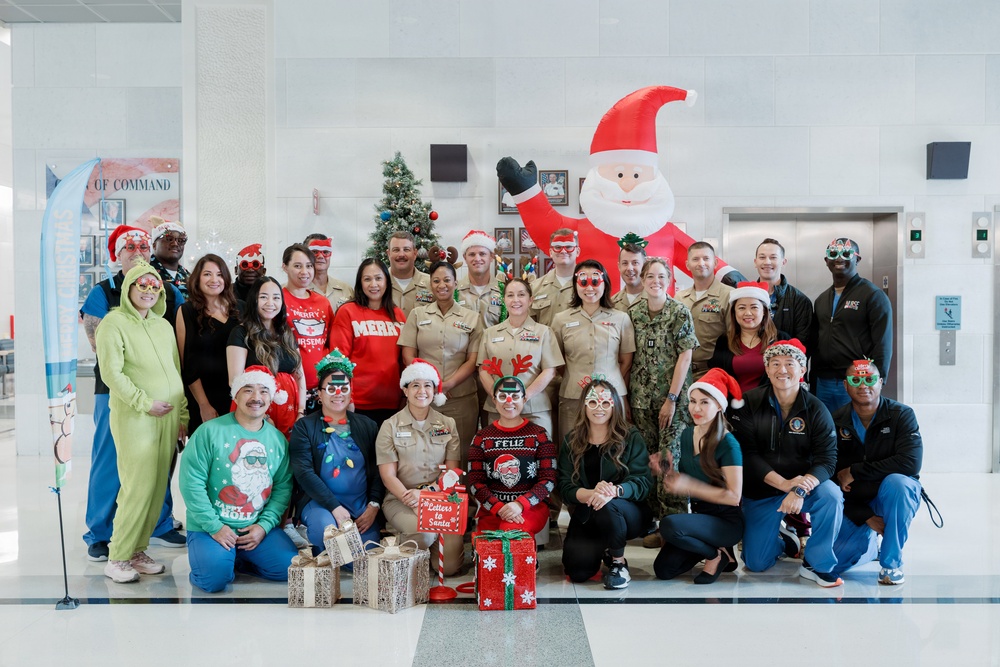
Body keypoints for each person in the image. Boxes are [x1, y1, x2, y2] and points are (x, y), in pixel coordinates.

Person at [80, 226, 186, 562]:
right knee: (113, 462)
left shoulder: (166, 290)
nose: (137, 251)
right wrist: (138, 395)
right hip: (117, 393)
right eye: (130, 246)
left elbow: (178, 336)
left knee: (158, 466)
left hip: (162, 397)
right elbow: (104, 353)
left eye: (143, 245)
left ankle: (157, 523)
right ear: (117, 253)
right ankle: (101, 532)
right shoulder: (103, 293)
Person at [730, 339, 844, 587]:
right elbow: (746, 454)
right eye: (775, 364)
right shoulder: (748, 403)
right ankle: (785, 540)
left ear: (802, 370)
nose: (783, 370)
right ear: (767, 369)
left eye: (790, 364)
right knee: (756, 564)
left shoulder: (816, 408)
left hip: (804, 487)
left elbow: (828, 459)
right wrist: (783, 484)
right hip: (762, 489)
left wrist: (800, 488)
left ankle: (817, 563)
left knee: (831, 496)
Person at [180, 366, 298, 593]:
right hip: (210, 528)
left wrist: (263, 527)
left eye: (264, 391)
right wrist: (214, 527)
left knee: (289, 569)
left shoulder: (277, 440)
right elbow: (191, 483)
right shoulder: (209, 432)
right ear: (236, 395)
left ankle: (239, 558)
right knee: (214, 581)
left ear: (271, 398)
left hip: (253, 527)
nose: (256, 398)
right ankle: (217, 561)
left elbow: (283, 488)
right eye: (248, 390)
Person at [831, 360, 923, 585]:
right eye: (855, 379)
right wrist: (866, 517)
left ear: (880, 382)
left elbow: (910, 463)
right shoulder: (835, 420)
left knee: (899, 483)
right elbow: (833, 477)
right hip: (856, 501)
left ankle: (891, 563)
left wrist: (855, 471)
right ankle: (871, 548)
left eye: (870, 379)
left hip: (891, 495)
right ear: (845, 385)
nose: (863, 385)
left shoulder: (901, 415)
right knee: (835, 562)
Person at [627, 257, 698, 547]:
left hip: (674, 402)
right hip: (641, 400)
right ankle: (655, 524)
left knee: (670, 458)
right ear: (642, 281)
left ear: (669, 281)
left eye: (661, 277)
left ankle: (676, 525)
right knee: (648, 461)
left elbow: (686, 355)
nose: (656, 281)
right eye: (650, 277)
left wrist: (671, 398)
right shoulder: (633, 314)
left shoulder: (680, 312)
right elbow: (628, 357)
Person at [558, 380, 652, 589]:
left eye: (605, 403)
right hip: (588, 512)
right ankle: (604, 548)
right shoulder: (571, 440)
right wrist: (594, 493)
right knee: (577, 572)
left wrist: (613, 491)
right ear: (584, 405)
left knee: (608, 505)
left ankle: (619, 563)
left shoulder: (631, 436)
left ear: (614, 405)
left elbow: (643, 482)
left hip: (627, 512)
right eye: (592, 402)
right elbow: (565, 487)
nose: (599, 408)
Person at [653, 369, 743, 584]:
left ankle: (715, 555)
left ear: (719, 406)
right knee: (663, 570)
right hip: (701, 517)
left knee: (669, 525)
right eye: (693, 401)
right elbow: (689, 478)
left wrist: (689, 487)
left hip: (726, 522)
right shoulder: (687, 435)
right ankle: (720, 551)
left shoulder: (728, 444)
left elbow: (734, 496)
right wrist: (667, 471)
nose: (696, 408)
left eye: (704, 402)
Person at [289, 350, 384, 552]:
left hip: (360, 507)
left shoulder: (368, 426)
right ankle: (318, 539)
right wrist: (335, 507)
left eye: (344, 388)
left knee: (363, 553)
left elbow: (379, 470)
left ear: (351, 392)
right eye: (331, 389)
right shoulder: (304, 427)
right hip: (321, 505)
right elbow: (304, 473)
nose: (338, 394)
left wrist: (373, 506)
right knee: (328, 534)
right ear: (320, 394)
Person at [376, 360, 463, 575]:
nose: (422, 391)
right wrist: (410, 498)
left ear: (434, 391)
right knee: (422, 532)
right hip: (401, 499)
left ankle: (421, 543)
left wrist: (426, 495)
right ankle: (408, 540)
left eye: (427, 385)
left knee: (449, 567)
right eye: (415, 385)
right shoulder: (390, 426)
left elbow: (452, 473)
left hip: (440, 498)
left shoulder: (447, 424)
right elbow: (388, 476)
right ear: (405, 390)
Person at [399, 260, 482, 466]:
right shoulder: (417, 315)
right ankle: (428, 496)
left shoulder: (472, 318)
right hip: (423, 397)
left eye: (447, 280)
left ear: (455, 283)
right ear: (430, 284)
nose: (441, 285)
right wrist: (429, 384)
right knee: (425, 451)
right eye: (436, 281)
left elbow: (473, 360)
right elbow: (408, 354)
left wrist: (449, 385)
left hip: (461, 399)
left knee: (460, 452)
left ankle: (458, 497)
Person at [551, 259, 635, 449]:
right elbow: (557, 360)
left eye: (595, 281)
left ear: (604, 284)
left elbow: (626, 361)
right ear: (575, 285)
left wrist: (608, 384)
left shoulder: (621, 318)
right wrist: (577, 376)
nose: (590, 288)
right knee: (571, 446)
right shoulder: (561, 320)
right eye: (583, 282)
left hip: (612, 397)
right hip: (573, 395)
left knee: (614, 447)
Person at [466, 376, 557, 536]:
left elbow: (548, 480)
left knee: (510, 533)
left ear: (524, 398)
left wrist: (520, 504)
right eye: (502, 396)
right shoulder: (481, 438)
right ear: (494, 400)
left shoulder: (540, 435)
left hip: (530, 508)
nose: (509, 402)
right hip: (493, 509)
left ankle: (526, 559)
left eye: (515, 396)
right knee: (489, 548)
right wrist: (499, 507)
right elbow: (475, 483)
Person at [812, 237, 893, 414]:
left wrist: (877, 384)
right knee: (825, 433)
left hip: (856, 381)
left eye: (847, 254)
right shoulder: (821, 299)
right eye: (833, 254)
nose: (839, 258)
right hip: (822, 382)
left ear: (857, 259)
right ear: (826, 261)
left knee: (853, 433)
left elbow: (883, 344)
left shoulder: (872, 295)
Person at [477, 277, 564, 439]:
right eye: (510, 295)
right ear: (504, 300)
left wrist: (523, 397)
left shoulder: (544, 332)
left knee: (540, 459)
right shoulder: (490, 333)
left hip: (534, 408)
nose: (515, 300)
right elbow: (483, 370)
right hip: (498, 410)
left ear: (530, 300)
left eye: (521, 295)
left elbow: (550, 370)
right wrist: (498, 398)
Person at [330, 258, 406, 429]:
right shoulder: (347, 312)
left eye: (378, 278)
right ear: (360, 283)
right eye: (367, 279)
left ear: (387, 281)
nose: (374, 284)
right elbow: (337, 361)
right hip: (357, 404)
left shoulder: (398, 315)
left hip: (393, 405)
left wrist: (404, 397)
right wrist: (345, 398)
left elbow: (403, 361)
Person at [227, 276, 306, 438]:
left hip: (289, 414)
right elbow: (234, 380)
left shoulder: (287, 333)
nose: (270, 303)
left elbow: (300, 376)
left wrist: (301, 412)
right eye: (263, 297)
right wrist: (263, 417)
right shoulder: (241, 333)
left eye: (276, 298)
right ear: (253, 300)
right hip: (255, 414)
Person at [175, 254, 240, 433]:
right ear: (197, 278)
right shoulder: (186, 311)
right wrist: (203, 404)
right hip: (203, 396)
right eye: (207, 274)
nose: (214, 280)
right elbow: (186, 362)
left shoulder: (240, 309)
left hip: (238, 395)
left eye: (219, 274)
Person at [709, 281, 784, 392]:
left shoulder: (781, 339)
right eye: (742, 308)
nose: (748, 313)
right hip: (734, 405)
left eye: (754, 307)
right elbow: (717, 375)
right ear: (734, 313)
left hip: (770, 405)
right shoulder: (724, 341)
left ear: (764, 311)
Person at [675, 242, 733, 379]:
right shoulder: (679, 298)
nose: (701, 263)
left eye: (706, 258)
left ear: (715, 262)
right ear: (687, 265)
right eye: (695, 259)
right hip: (681, 372)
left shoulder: (730, 295)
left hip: (713, 372)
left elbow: (735, 339)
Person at [281, 243, 334, 392]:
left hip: (323, 388)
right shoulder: (278, 300)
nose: (305, 272)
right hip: (289, 388)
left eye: (309, 266)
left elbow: (331, 342)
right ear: (285, 267)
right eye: (298, 266)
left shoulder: (323, 302)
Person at [753, 238, 813, 346]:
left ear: (783, 262)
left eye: (773, 257)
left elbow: (803, 344)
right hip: (751, 361)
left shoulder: (799, 300)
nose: (767, 262)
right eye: (762, 257)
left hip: (784, 361)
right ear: (755, 262)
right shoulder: (747, 296)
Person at [529, 229, 579, 327]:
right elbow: (529, 325)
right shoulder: (535, 287)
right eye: (558, 247)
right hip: (545, 342)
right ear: (551, 252)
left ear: (577, 251)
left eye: (569, 247)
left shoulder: (589, 287)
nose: (563, 251)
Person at [455, 230, 502, 329]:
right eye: (472, 254)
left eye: (482, 254)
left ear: (491, 257)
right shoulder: (454, 291)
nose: (477, 259)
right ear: (465, 258)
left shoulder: (504, 291)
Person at [304, 234, 354, 316]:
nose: (320, 256)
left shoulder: (346, 290)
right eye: (315, 252)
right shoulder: (295, 290)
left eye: (325, 252)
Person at [388, 231, 432, 316]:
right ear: (388, 254)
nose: (401, 254)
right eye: (396, 250)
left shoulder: (431, 284)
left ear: (415, 254)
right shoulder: (378, 284)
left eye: (406, 249)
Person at [149, 216, 191, 299]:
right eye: (169, 239)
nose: (175, 244)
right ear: (154, 245)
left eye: (180, 240)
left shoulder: (190, 277)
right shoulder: (144, 273)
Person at [612, 236, 648, 312]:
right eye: (625, 263)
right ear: (619, 267)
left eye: (635, 263)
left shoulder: (657, 299)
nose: (629, 268)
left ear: (645, 265)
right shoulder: (612, 304)